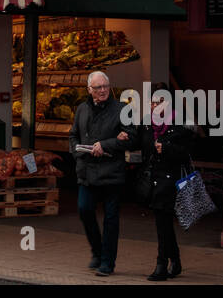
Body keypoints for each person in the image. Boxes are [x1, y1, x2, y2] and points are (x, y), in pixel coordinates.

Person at [69, 69, 134, 275]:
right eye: (98, 88)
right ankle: (97, 251)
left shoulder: (122, 109)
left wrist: (105, 145)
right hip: (87, 171)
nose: (103, 90)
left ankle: (107, 262)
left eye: (106, 86)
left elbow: (131, 137)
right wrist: (78, 151)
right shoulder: (81, 109)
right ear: (89, 90)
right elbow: (73, 136)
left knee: (111, 219)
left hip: (111, 173)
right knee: (84, 209)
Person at [138, 88, 191, 281]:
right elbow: (137, 143)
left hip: (171, 179)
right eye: (152, 102)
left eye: (159, 101)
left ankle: (161, 264)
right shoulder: (146, 124)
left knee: (162, 221)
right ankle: (175, 260)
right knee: (164, 221)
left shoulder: (180, 123)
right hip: (153, 178)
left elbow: (187, 152)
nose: (154, 106)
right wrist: (118, 139)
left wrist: (166, 148)